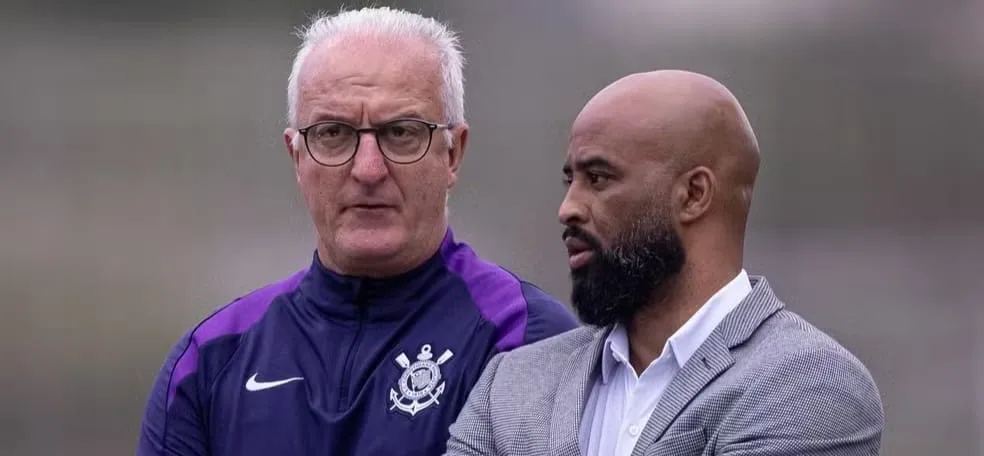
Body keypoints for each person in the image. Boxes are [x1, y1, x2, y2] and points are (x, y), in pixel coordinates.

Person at [136, 7, 578, 456]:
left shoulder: (525, 343)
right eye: (333, 133)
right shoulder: (210, 362)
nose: (368, 169)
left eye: (402, 132)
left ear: (453, 154)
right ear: (297, 158)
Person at [444, 70, 885, 456]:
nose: (568, 208)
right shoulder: (513, 383)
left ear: (694, 195)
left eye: (598, 178)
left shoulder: (808, 385)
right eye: (571, 180)